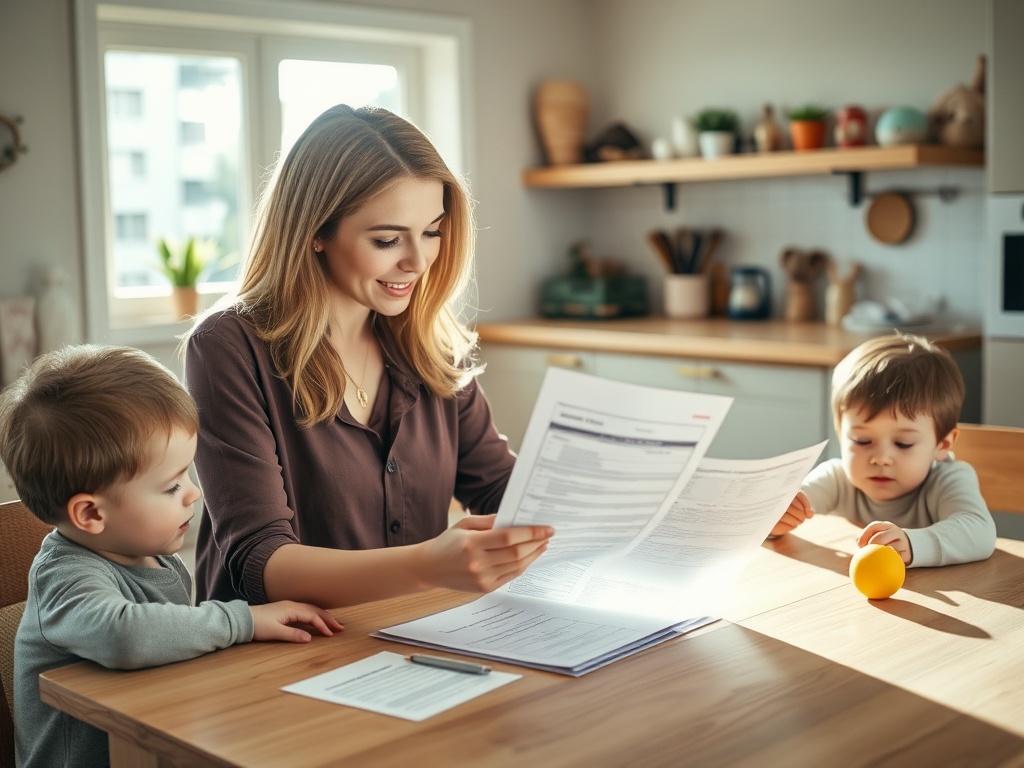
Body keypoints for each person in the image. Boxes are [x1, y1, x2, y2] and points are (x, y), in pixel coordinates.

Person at [184, 104, 553, 608]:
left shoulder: (432, 344)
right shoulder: (228, 348)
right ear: (316, 232)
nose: (418, 261)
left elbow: (499, 489)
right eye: (386, 239)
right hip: (275, 658)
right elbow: (259, 563)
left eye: (432, 232)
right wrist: (430, 565)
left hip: (412, 638)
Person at [0, 345, 343, 768]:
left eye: (186, 473)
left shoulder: (155, 558)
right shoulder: (66, 574)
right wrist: (244, 620)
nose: (194, 492)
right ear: (90, 513)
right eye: (170, 486)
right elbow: (125, 636)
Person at [769, 333, 996, 566]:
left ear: (943, 444)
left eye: (903, 444)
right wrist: (773, 522)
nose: (881, 458)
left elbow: (980, 533)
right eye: (862, 440)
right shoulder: (836, 478)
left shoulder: (949, 478)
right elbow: (775, 509)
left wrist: (912, 543)